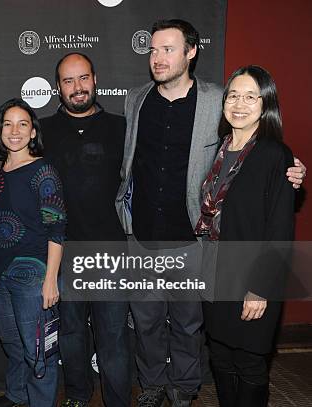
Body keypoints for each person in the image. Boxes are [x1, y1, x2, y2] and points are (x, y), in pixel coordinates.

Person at [115, 19, 306, 407]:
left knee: (189, 326)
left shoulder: (218, 100)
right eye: (153, 50)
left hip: (193, 241)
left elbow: (253, 149)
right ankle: (152, 386)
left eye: (168, 49)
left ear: (190, 52)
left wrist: (291, 169)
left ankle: (185, 389)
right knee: (147, 323)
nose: (158, 58)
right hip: (141, 236)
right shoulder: (134, 99)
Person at [195, 65, 294, 406]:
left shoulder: (274, 155)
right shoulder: (219, 150)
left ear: (266, 104)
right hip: (214, 275)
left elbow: (280, 229)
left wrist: (260, 288)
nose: (240, 103)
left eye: (251, 96)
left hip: (253, 281)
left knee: (250, 363)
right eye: (233, 95)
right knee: (221, 358)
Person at [39, 53, 131, 407]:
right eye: (68, 81)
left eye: (83, 79)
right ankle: (77, 395)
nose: (77, 88)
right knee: (71, 335)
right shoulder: (42, 130)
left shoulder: (122, 128)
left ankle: (118, 401)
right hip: (63, 251)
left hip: (110, 252)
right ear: (57, 87)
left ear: (95, 79)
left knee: (113, 337)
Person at [0, 98, 65, 407]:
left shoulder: (43, 172)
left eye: (22, 124)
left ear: (33, 132)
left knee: (39, 351)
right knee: (13, 344)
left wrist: (51, 280)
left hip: (33, 275)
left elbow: (57, 229)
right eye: (8, 124)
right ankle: (17, 396)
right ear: (0, 130)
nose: (14, 131)